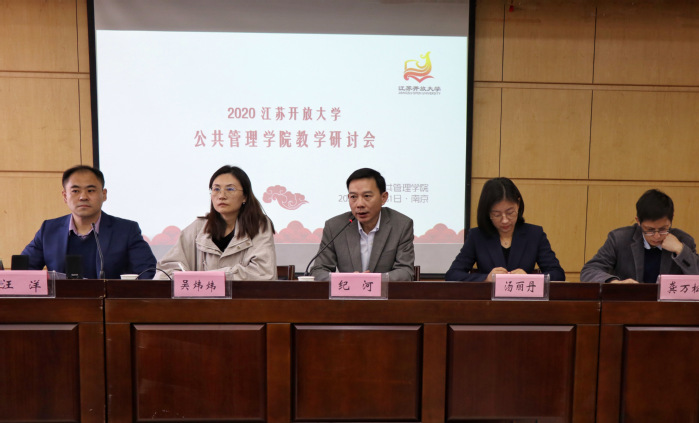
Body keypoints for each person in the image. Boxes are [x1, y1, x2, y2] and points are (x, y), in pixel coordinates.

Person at [22, 165, 156, 279]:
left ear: (104, 194)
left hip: (111, 301)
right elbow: (24, 271)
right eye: (75, 191)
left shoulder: (126, 230)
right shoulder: (49, 229)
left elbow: (147, 272)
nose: (83, 197)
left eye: (90, 190)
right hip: (61, 301)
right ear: (65, 196)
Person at [156, 165, 277, 280]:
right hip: (201, 296)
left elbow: (263, 273)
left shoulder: (258, 225)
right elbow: (166, 270)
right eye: (216, 189)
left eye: (230, 189)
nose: (221, 195)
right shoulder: (199, 227)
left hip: (243, 295)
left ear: (245, 196)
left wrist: (211, 278)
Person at [445, 177, 565, 282]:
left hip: (524, 299)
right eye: (497, 215)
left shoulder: (535, 234)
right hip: (488, 300)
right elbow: (452, 274)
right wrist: (486, 278)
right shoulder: (477, 236)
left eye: (510, 212)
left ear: (518, 204)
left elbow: (558, 274)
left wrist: (529, 278)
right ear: (487, 212)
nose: (505, 220)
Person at [309, 168, 414, 281]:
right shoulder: (334, 227)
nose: (359, 204)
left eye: (367, 196)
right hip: (347, 292)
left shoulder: (401, 225)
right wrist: (348, 280)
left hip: (384, 292)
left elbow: (405, 272)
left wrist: (372, 280)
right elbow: (318, 271)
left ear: (383, 198)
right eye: (353, 197)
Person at [581, 189, 699, 283]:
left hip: (670, 305)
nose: (657, 236)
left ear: (672, 218)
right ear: (638, 221)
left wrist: (681, 250)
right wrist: (614, 283)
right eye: (649, 230)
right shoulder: (619, 239)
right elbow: (589, 270)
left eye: (663, 229)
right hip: (628, 304)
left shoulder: (684, 241)